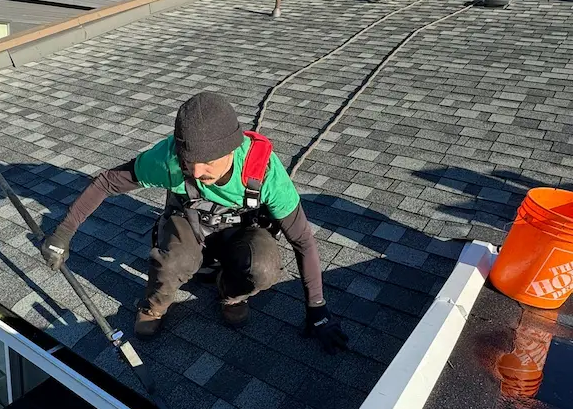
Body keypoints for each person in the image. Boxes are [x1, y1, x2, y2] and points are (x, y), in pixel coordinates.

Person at [41, 91, 347, 352]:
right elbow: (107, 182)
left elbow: (303, 240)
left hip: (241, 234)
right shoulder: (170, 159)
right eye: (190, 161)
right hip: (190, 223)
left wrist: (317, 310)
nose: (197, 172)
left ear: (231, 148)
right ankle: (154, 305)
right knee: (173, 261)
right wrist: (63, 234)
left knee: (264, 268)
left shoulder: (264, 172)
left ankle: (230, 294)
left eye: (207, 161)